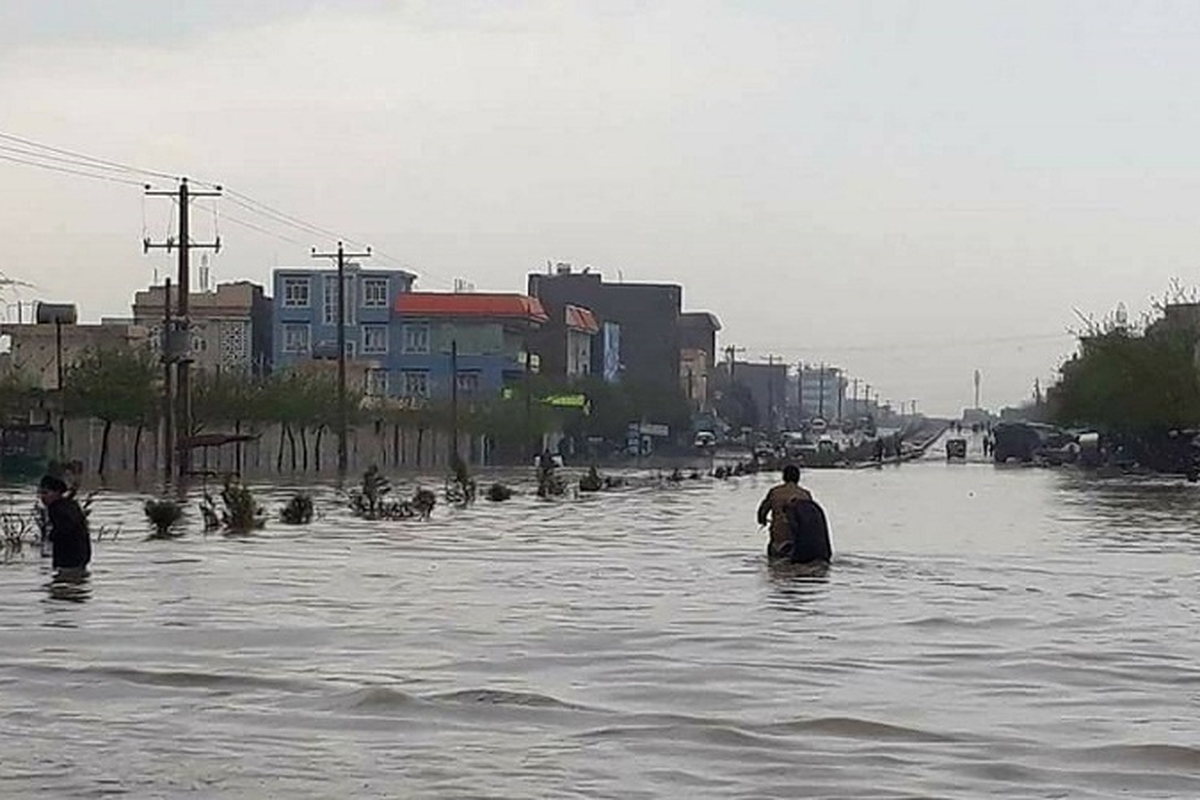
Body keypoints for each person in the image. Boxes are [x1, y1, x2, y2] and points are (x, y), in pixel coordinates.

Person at [38, 475, 90, 577]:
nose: (42, 497)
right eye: (40, 493)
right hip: (81, 558)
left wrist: (53, 535)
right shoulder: (71, 505)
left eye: (45, 493)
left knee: (63, 586)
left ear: (57, 493)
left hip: (69, 559)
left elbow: (66, 528)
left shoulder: (57, 508)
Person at [756, 464, 812, 558]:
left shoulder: (774, 492)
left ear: (783, 477)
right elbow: (811, 518)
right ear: (798, 478)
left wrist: (763, 521)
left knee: (774, 565)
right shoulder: (805, 495)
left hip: (778, 538)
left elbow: (762, 512)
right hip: (799, 539)